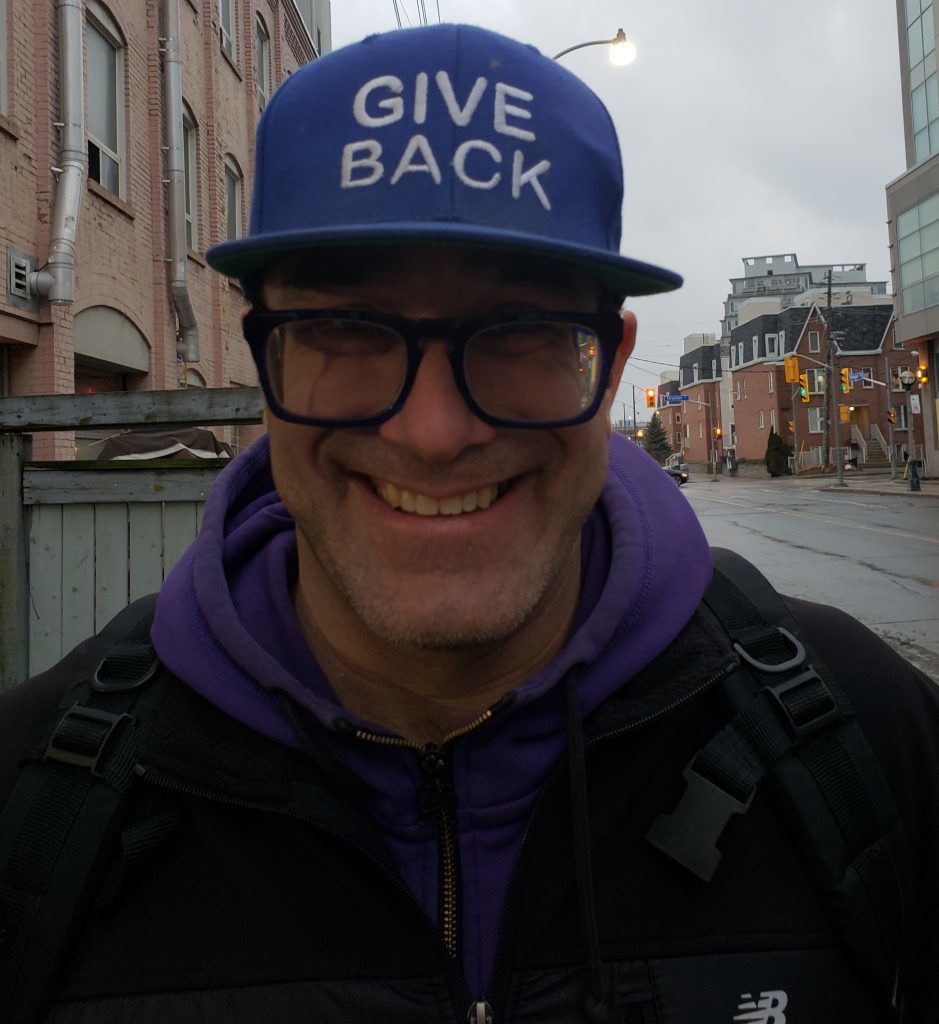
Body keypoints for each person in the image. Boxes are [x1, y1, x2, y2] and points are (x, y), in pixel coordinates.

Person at [1, 23, 937, 1024]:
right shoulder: (36, 807)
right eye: (347, 330)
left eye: (523, 332)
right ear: (262, 361)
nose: (434, 432)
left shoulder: (869, 743)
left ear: (611, 364)